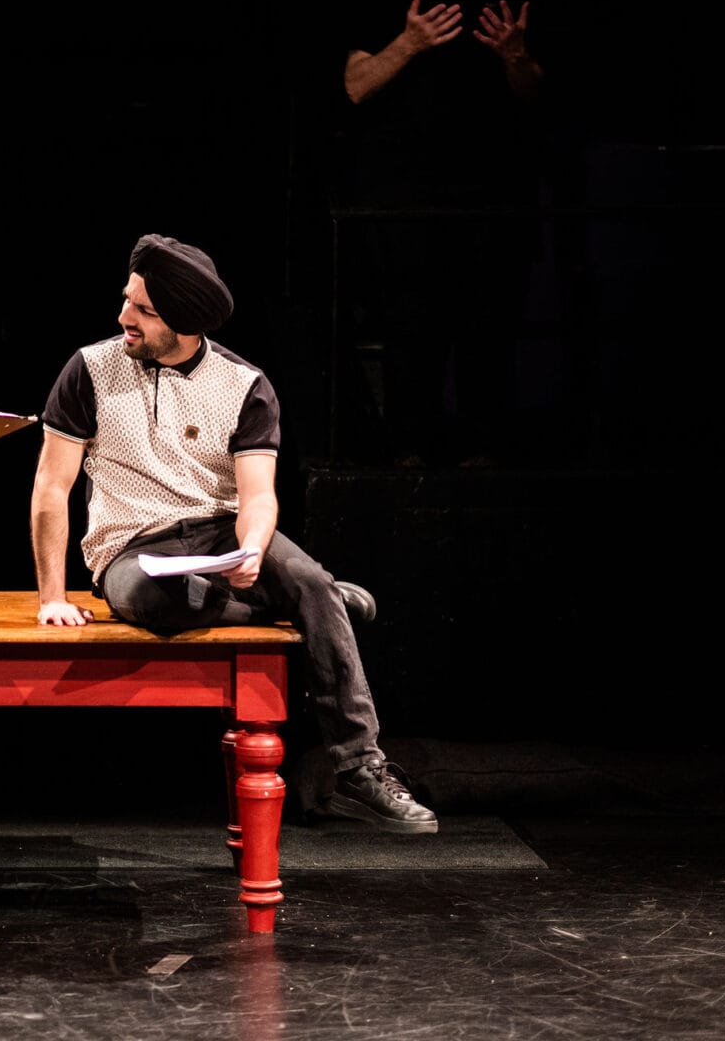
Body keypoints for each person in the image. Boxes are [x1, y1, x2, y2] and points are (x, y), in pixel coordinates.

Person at [29, 233, 438, 834]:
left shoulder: (243, 384)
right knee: (155, 600)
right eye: (127, 300)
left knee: (301, 573)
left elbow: (257, 495)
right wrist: (52, 597)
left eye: (143, 309)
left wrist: (249, 549)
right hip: (132, 544)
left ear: (185, 321)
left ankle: (356, 767)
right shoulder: (90, 368)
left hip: (221, 529)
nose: (124, 318)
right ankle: (319, 607)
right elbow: (51, 488)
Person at [337, 0, 547, 467]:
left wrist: (514, 57)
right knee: (411, 329)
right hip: (404, 197)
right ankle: (411, 459)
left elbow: (538, 94)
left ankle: (486, 455)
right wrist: (409, 43)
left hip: (492, 196)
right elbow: (355, 86)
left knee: (489, 328)